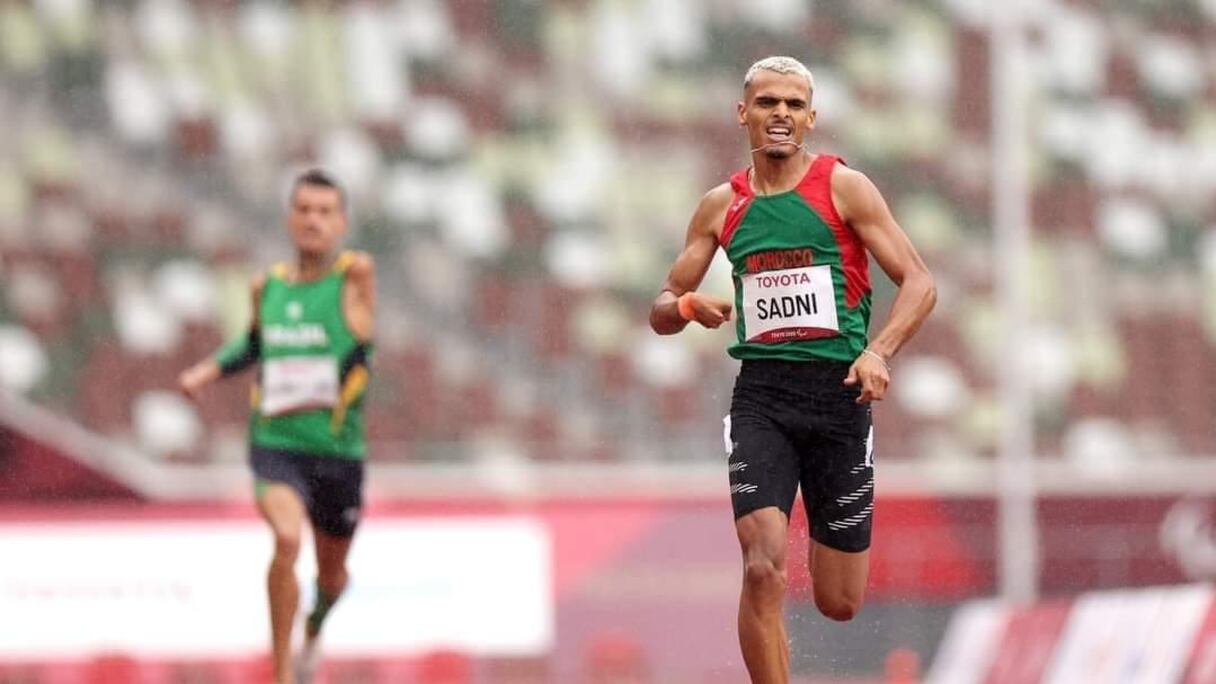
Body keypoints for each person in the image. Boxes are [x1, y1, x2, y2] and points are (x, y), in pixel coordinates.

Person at [649, 56, 936, 684]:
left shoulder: (845, 188)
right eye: (767, 102)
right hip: (763, 399)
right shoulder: (721, 206)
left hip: (839, 398)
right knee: (762, 565)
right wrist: (688, 307)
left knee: (840, 601)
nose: (780, 113)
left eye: (793, 104)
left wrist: (878, 351)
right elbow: (662, 307)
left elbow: (919, 283)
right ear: (743, 113)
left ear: (811, 117)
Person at [178, 169, 375, 684]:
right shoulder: (266, 287)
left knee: (332, 576)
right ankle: (282, 672)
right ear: (289, 218)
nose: (313, 221)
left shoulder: (354, 279)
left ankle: (314, 628)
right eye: (303, 210)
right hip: (276, 445)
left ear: (342, 223)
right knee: (287, 539)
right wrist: (206, 371)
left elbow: (357, 321)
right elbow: (253, 343)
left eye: (325, 212)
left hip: (337, 454)